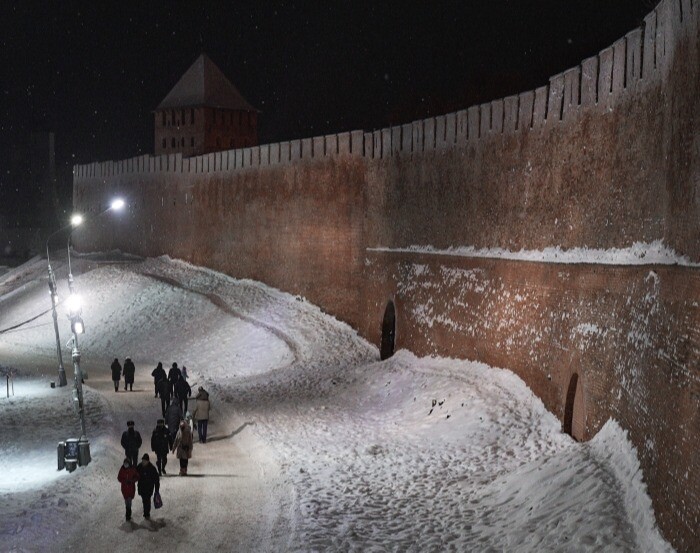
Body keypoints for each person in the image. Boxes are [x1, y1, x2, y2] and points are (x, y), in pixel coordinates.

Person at [136, 454, 160, 519]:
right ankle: (146, 512)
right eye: (143, 460)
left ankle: (147, 513)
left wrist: (157, 489)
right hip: (141, 487)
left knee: (147, 500)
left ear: (148, 461)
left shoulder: (152, 468)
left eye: (145, 461)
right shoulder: (139, 467)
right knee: (144, 500)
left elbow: (156, 479)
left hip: (149, 488)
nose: (143, 462)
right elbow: (135, 474)